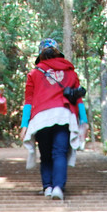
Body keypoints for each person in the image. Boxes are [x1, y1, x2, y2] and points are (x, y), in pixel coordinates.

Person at [20, 38, 88, 200]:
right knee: (59, 152)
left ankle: (48, 187)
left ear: (40, 55)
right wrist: (83, 121)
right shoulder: (70, 72)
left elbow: (28, 102)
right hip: (64, 116)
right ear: (58, 53)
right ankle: (58, 187)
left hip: (41, 118)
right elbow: (78, 99)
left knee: (45, 154)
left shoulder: (34, 74)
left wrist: (24, 125)